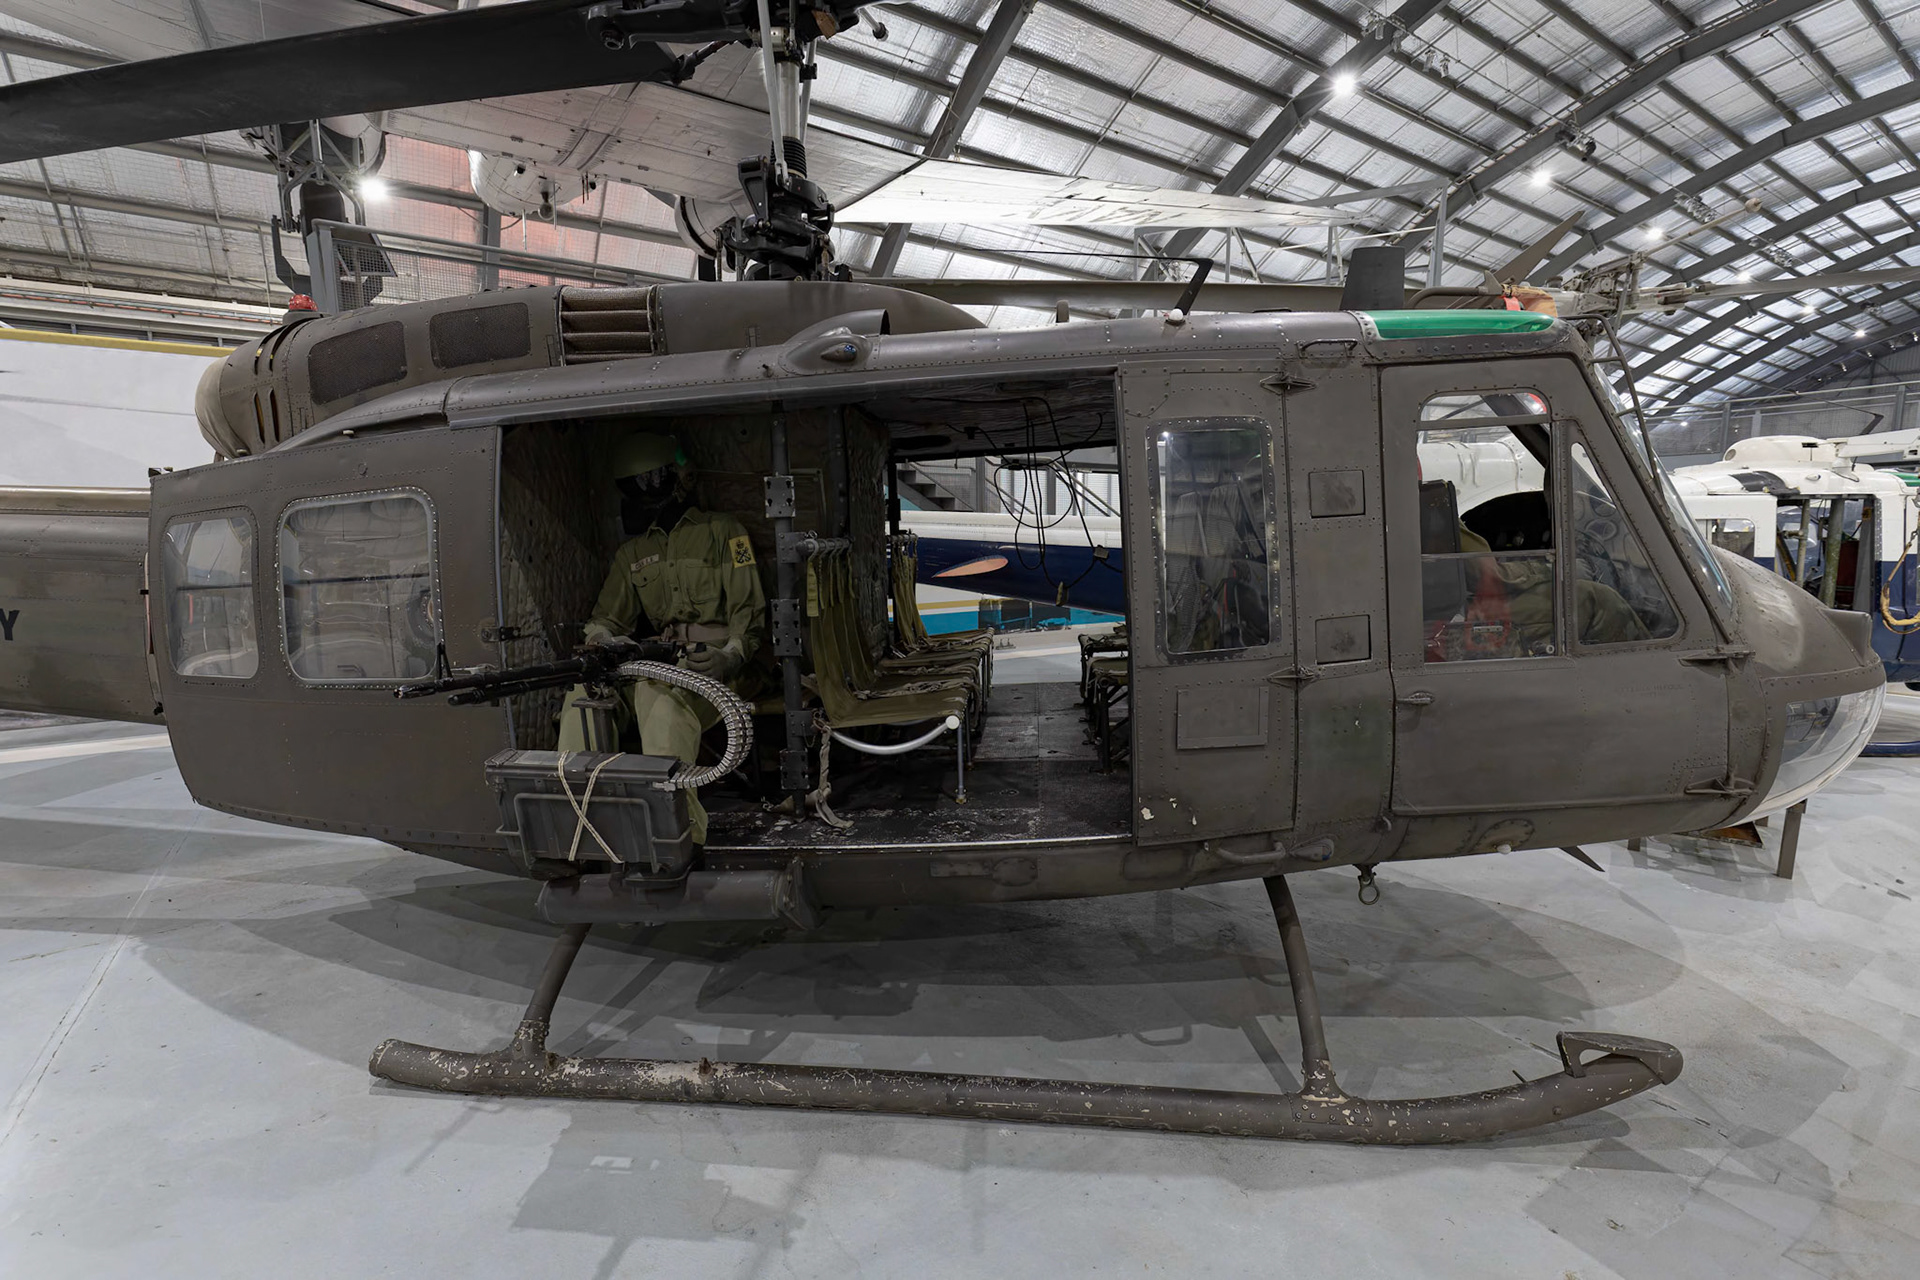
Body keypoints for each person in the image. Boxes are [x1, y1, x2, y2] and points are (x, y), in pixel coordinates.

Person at [557, 432, 767, 849]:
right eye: (637, 482)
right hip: (657, 662)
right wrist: (603, 640)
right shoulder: (633, 553)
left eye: (655, 478)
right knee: (581, 698)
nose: (646, 488)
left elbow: (750, 613)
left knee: (662, 702)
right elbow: (604, 617)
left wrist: (731, 656)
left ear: (680, 476)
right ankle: (576, 830)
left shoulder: (726, 533)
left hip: (718, 668)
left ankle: (675, 835)